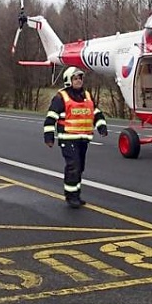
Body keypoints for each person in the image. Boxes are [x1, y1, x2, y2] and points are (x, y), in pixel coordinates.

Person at [44, 67, 108, 208]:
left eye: (80, 78)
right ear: (68, 80)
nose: (79, 80)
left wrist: (101, 126)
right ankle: (71, 196)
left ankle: (76, 194)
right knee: (73, 166)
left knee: (80, 167)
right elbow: (50, 118)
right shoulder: (61, 97)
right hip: (67, 138)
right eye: (75, 78)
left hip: (83, 139)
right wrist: (49, 137)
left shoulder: (87, 96)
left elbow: (96, 113)